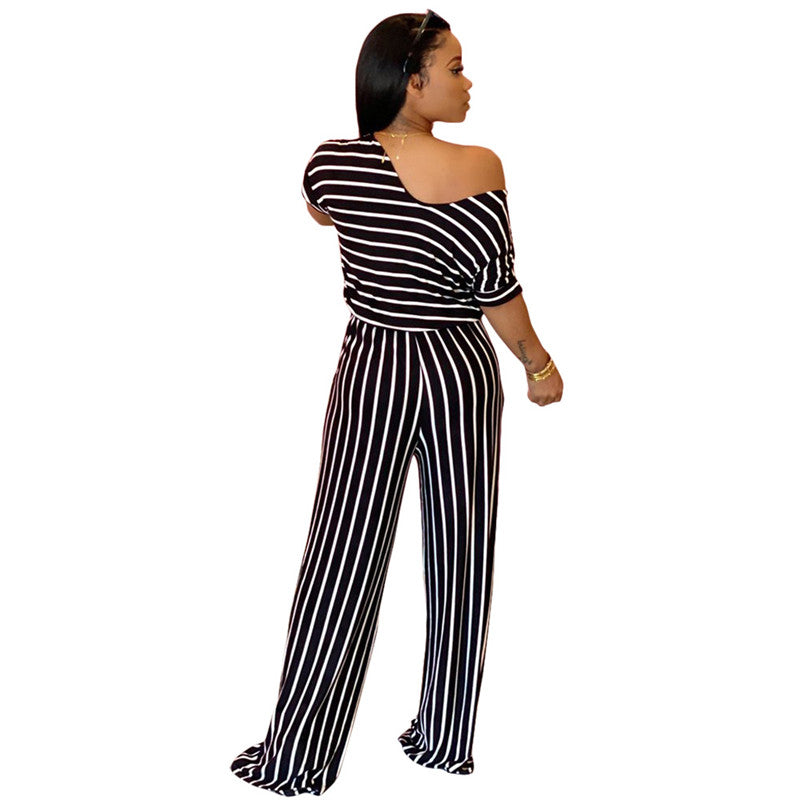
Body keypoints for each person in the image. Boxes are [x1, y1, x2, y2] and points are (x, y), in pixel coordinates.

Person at [230, 9, 563, 796]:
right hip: (457, 368)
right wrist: (539, 364)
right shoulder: (481, 166)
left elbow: (320, 210)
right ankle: (445, 736)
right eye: (455, 68)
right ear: (410, 79)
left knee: (340, 557)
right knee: (462, 548)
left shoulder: (330, 165)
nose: (468, 82)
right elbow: (497, 292)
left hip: (375, 365)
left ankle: (299, 755)